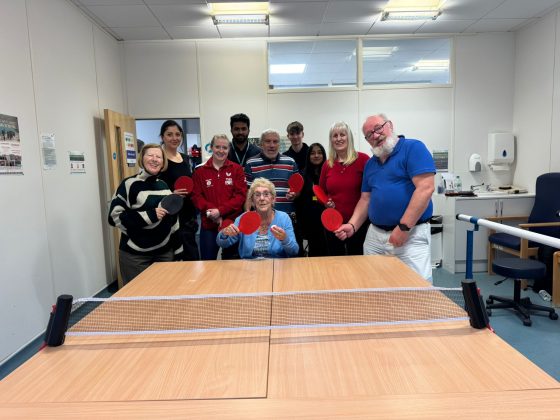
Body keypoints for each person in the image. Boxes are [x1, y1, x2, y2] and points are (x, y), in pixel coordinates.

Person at [336, 114, 436, 280]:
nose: (375, 135)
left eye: (378, 128)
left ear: (390, 125)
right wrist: (352, 225)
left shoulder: (413, 148)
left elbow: (425, 188)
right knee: (373, 283)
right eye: (369, 135)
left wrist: (403, 228)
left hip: (410, 234)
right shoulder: (371, 164)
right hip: (375, 235)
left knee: (417, 287)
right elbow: (366, 199)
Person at [108, 144, 180, 285]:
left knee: (165, 294)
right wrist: (150, 215)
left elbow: (173, 222)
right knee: (138, 296)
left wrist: (178, 251)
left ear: (163, 162)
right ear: (142, 159)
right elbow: (113, 217)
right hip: (135, 257)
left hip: (164, 254)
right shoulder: (128, 184)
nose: (154, 159)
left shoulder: (164, 186)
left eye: (158, 157)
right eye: (150, 155)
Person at [191, 134, 246, 260]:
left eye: (225, 148)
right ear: (211, 147)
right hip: (209, 225)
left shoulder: (237, 169)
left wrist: (220, 211)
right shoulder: (200, 171)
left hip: (232, 225)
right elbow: (196, 197)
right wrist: (213, 213)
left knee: (232, 264)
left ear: (229, 149)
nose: (221, 151)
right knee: (207, 263)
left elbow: (240, 196)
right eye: (217, 147)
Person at [319, 121, 370, 256]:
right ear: (331, 140)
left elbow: (370, 193)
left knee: (358, 261)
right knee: (335, 262)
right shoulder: (327, 165)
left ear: (349, 137)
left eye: (342, 134)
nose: (339, 138)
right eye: (335, 136)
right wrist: (326, 202)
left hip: (359, 224)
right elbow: (322, 193)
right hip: (333, 224)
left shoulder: (363, 160)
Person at [216, 178, 298, 259]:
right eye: (257, 195)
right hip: (249, 265)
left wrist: (285, 239)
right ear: (252, 201)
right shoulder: (244, 218)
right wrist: (224, 233)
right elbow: (223, 244)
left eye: (266, 194)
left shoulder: (283, 218)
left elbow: (294, 251)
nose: (262, 198)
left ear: (273, 199)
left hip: (276, 265)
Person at [157, 120, 200, 261]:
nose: (174, 138)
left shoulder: (185, 158)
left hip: (187, 216)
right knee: (173, 261)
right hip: (169, 216)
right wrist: (170, 194)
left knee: (192, 258)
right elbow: (151, 188)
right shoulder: (159, 160)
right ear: (162, 137)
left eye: (177, 134)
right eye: (169, 134)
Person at [298, 143, 328, 257]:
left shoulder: (329, 172)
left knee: (328, 248)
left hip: (327, 216)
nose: (316, 155)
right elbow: (299, 198)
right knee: (314, 249)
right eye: (313, 153)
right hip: (310, 218)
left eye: (319, 153)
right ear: (308, 156)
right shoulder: (302, 174)